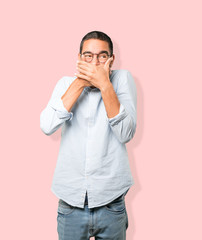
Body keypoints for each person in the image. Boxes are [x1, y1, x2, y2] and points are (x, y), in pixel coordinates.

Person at [40, 30, 137, 240]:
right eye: (88, 56)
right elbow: (47, 125)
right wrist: (81, 82)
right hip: (70, 201)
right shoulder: (65, 84)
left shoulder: (122, 79)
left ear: (111, 59)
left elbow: (126, 133)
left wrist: (104, 84)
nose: (94, 62)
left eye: (102, 56)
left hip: (110, 202)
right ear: (79, 59)